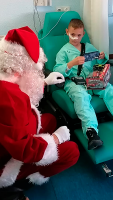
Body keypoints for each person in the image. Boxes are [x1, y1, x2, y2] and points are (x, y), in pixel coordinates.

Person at [0, 26, 80, 200]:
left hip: (9, 139)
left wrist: (44, 82)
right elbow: (24, 150)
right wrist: (56, 139)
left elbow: (24, 86)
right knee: (72, 151)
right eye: (36, 70)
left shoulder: (7, 79)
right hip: (5, 163)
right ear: (23, 67)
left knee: (50, 119)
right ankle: (22, 183)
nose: (38, 72)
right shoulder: (10, 99)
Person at [53, 19, 113, 150]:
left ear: (83, 34)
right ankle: (91, 132)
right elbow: (56, 70)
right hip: (75, 83)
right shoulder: (63, 52)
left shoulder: (88, 47)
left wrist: (102, 57)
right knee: (81, 97)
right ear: (67, 32)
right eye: (72, 34)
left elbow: (101, 62)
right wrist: (71, 64)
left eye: (79, 35)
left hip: (93, 80)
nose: (76, 38)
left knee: (112, 91)